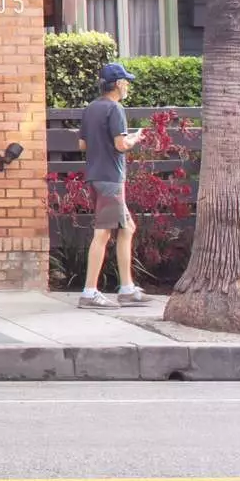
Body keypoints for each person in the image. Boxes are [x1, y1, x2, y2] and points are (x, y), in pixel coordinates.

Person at [79, 62, 149, 309]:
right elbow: (120, 145)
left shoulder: (91, 109)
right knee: (103, 233)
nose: (127, 85)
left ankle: (127, 289)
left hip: (96, 176)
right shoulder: (115, 109)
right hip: (110, 178)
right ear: (118, 84)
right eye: (126, 81)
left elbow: (82, 145)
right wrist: (134, 138)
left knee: (127, 227)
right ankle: (89, 293)